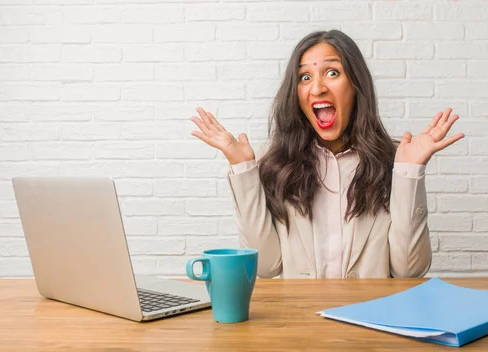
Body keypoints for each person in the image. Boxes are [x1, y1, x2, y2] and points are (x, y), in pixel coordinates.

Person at [190, 30, 464, 279]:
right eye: (305, 77)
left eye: (332, 72)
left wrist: (408, 172)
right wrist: (242, 168)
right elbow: (266, 266)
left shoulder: (390, 163)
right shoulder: (279, 167)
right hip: (302, 324)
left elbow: (409, 269)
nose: (317, 87)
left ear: (357, 85)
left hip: (370, 322)